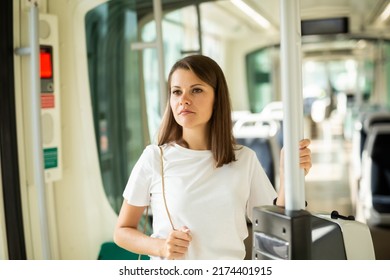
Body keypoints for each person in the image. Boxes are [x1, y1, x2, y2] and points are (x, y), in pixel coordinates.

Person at [113, 54, 312, 260]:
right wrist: (161, 247)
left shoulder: (244, 160)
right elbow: (122, 231)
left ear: (217, 98)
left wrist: (288, 178)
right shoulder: (155, 158)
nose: (184, 100)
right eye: (176, 92)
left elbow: (275, 231)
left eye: (196, 90)